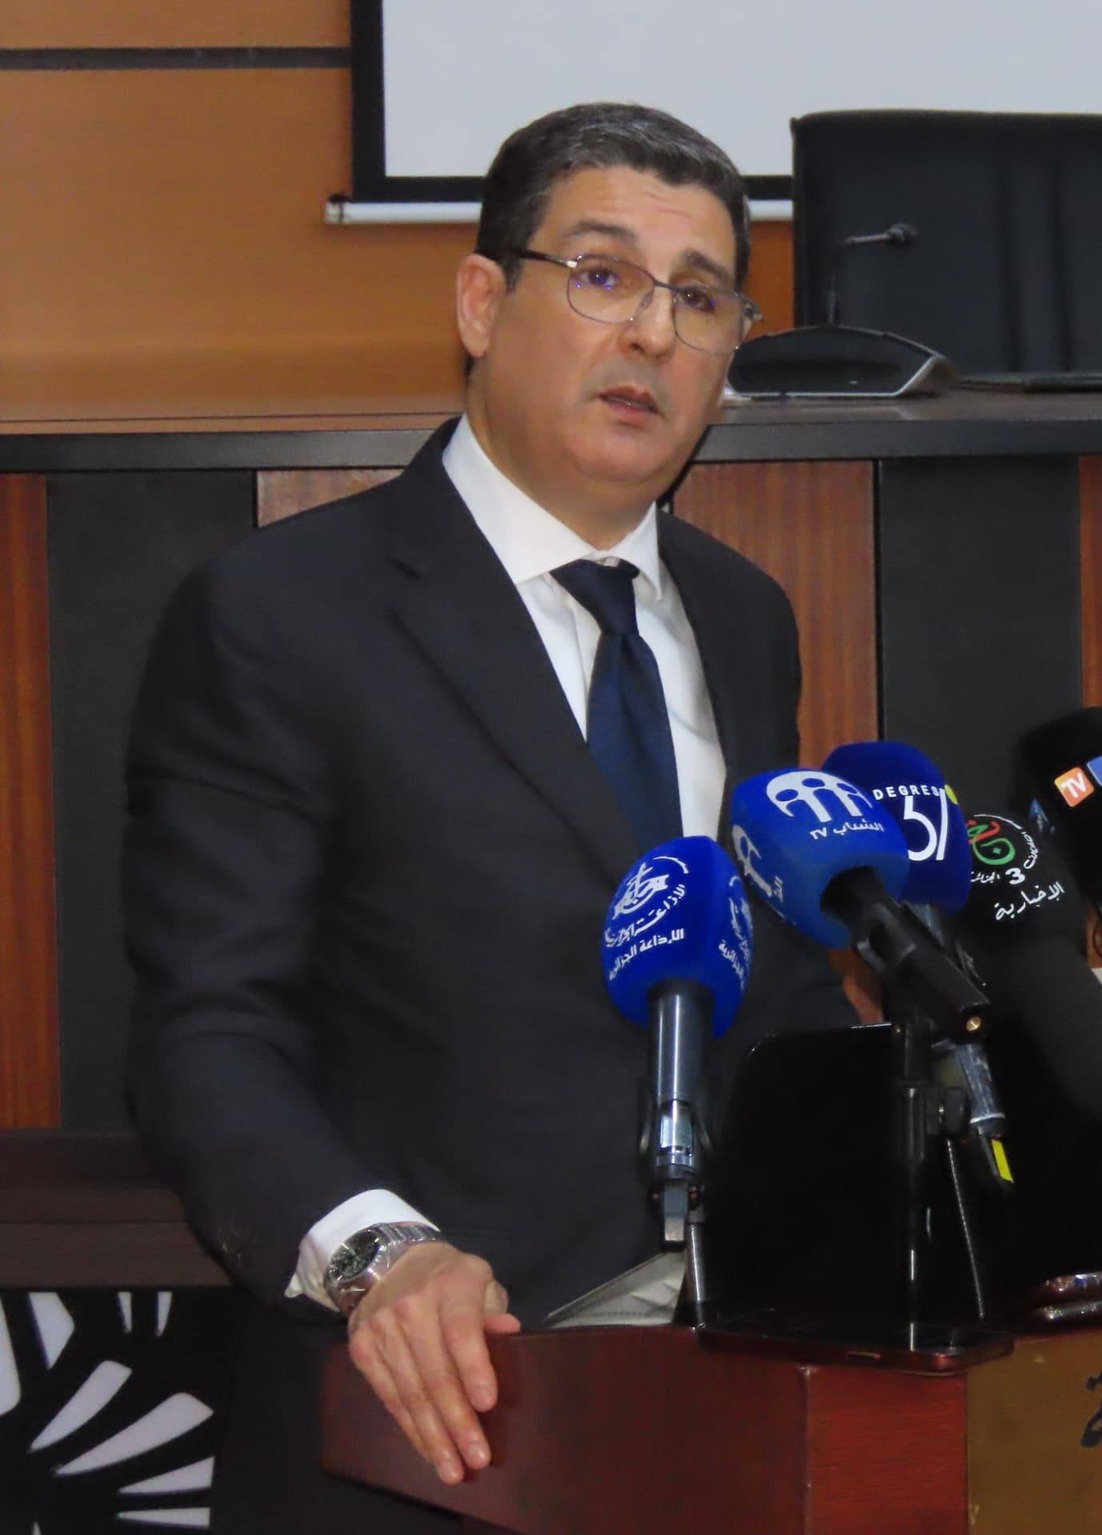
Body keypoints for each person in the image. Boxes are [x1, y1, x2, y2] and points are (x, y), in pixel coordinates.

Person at [124, 102, 855, 1533]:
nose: (652, 334)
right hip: (423, 1429)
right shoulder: (282, 616)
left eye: (700, 299)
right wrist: (380, 1261)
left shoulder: (744, 618)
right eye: (603, 276)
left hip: (725, 1420)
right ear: (479, 302)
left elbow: (772, 992)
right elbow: (208, 1032)